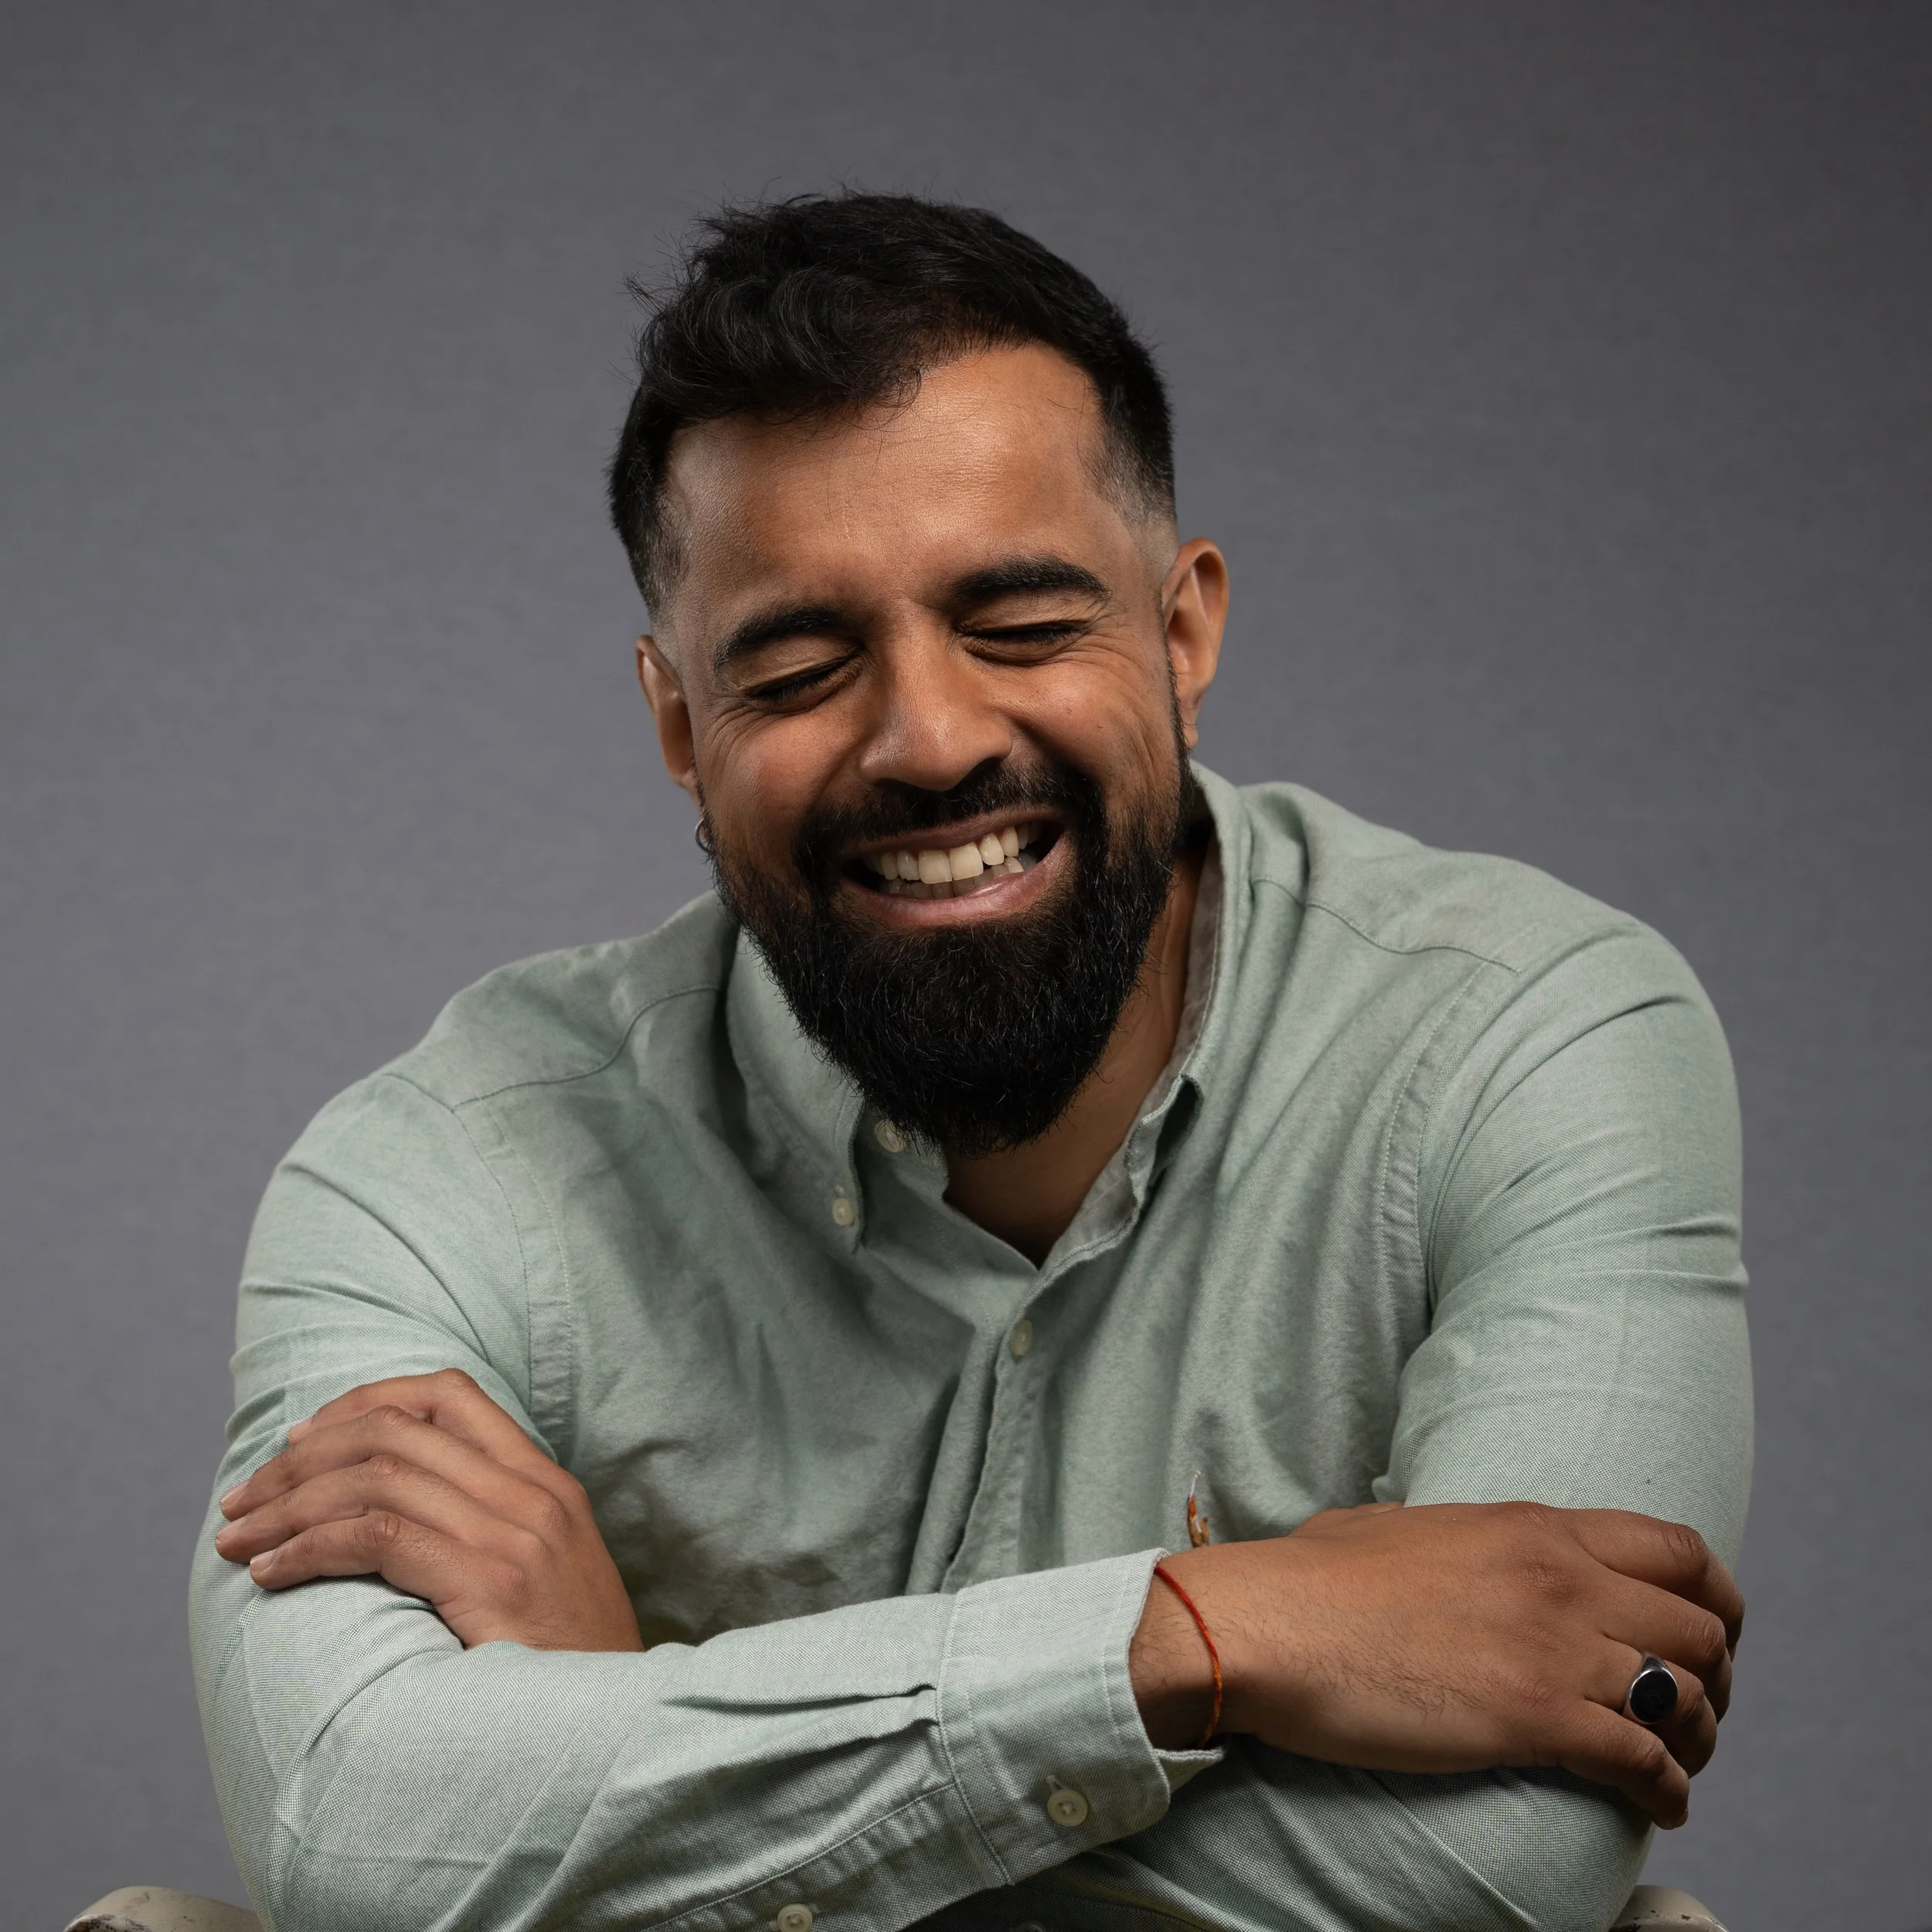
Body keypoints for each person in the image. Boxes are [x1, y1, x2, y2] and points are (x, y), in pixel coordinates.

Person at [191, 192, 1751, 1932]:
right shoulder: (438, 1166)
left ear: (1182, 634)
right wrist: (1199, 1631)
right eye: (794, 664)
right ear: (675, 728)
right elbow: (348, 1829)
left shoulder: (1530, 1037)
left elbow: (1495, 1863)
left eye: (1018, 625)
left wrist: (637, 1746)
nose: (929, 739)